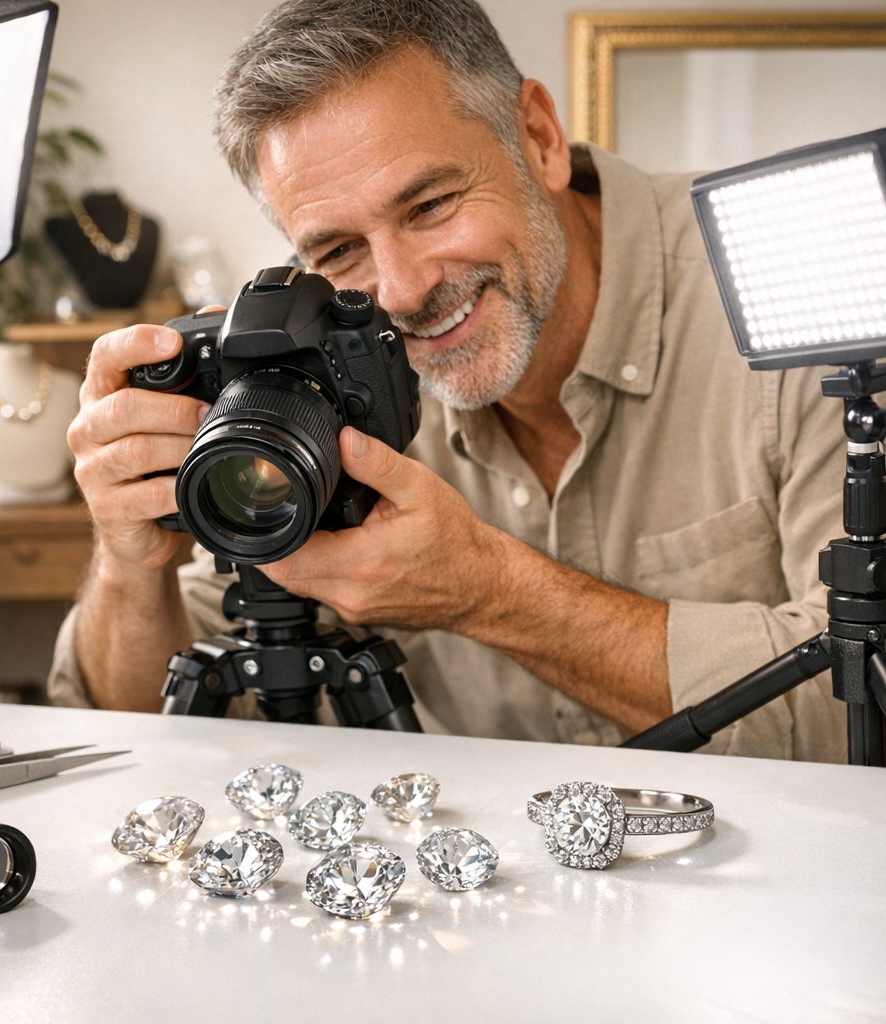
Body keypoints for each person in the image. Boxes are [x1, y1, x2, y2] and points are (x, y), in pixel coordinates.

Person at [48, 0, 846, 762]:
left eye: (430, 204)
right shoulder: (313, 364)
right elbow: (142, 730)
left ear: (540, 138)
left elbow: (862, 706)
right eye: (338, 251)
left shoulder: (804, 289)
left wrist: (490, 593)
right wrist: (129, 561)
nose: (400, 291)